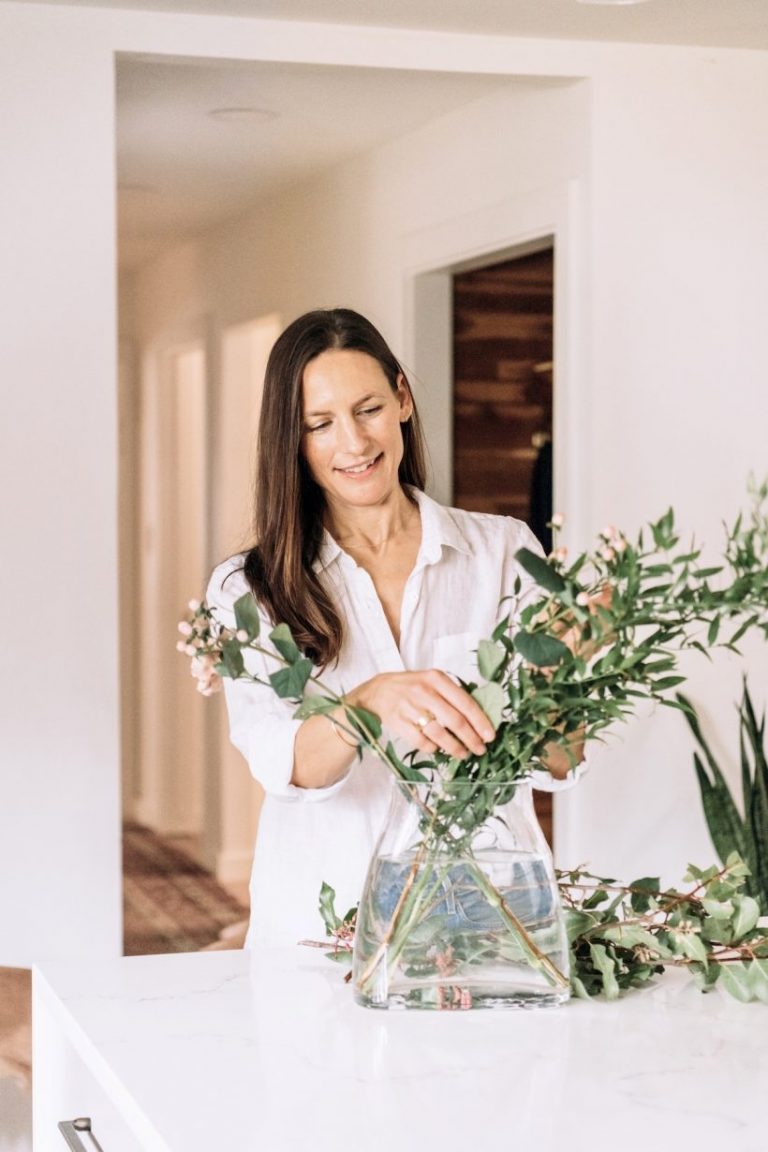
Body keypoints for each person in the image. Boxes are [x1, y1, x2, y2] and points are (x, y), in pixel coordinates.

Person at [207, 307, 583, 947]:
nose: (353, 444)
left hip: (483, 918)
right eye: (320, 424)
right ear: (292, 441)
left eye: (369, 409)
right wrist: (372, 701)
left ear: (403, 397)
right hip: (321, 925)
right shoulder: (248, 588)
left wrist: (563, 674)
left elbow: (562, 757)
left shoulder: (504, 552)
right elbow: (288, 765)